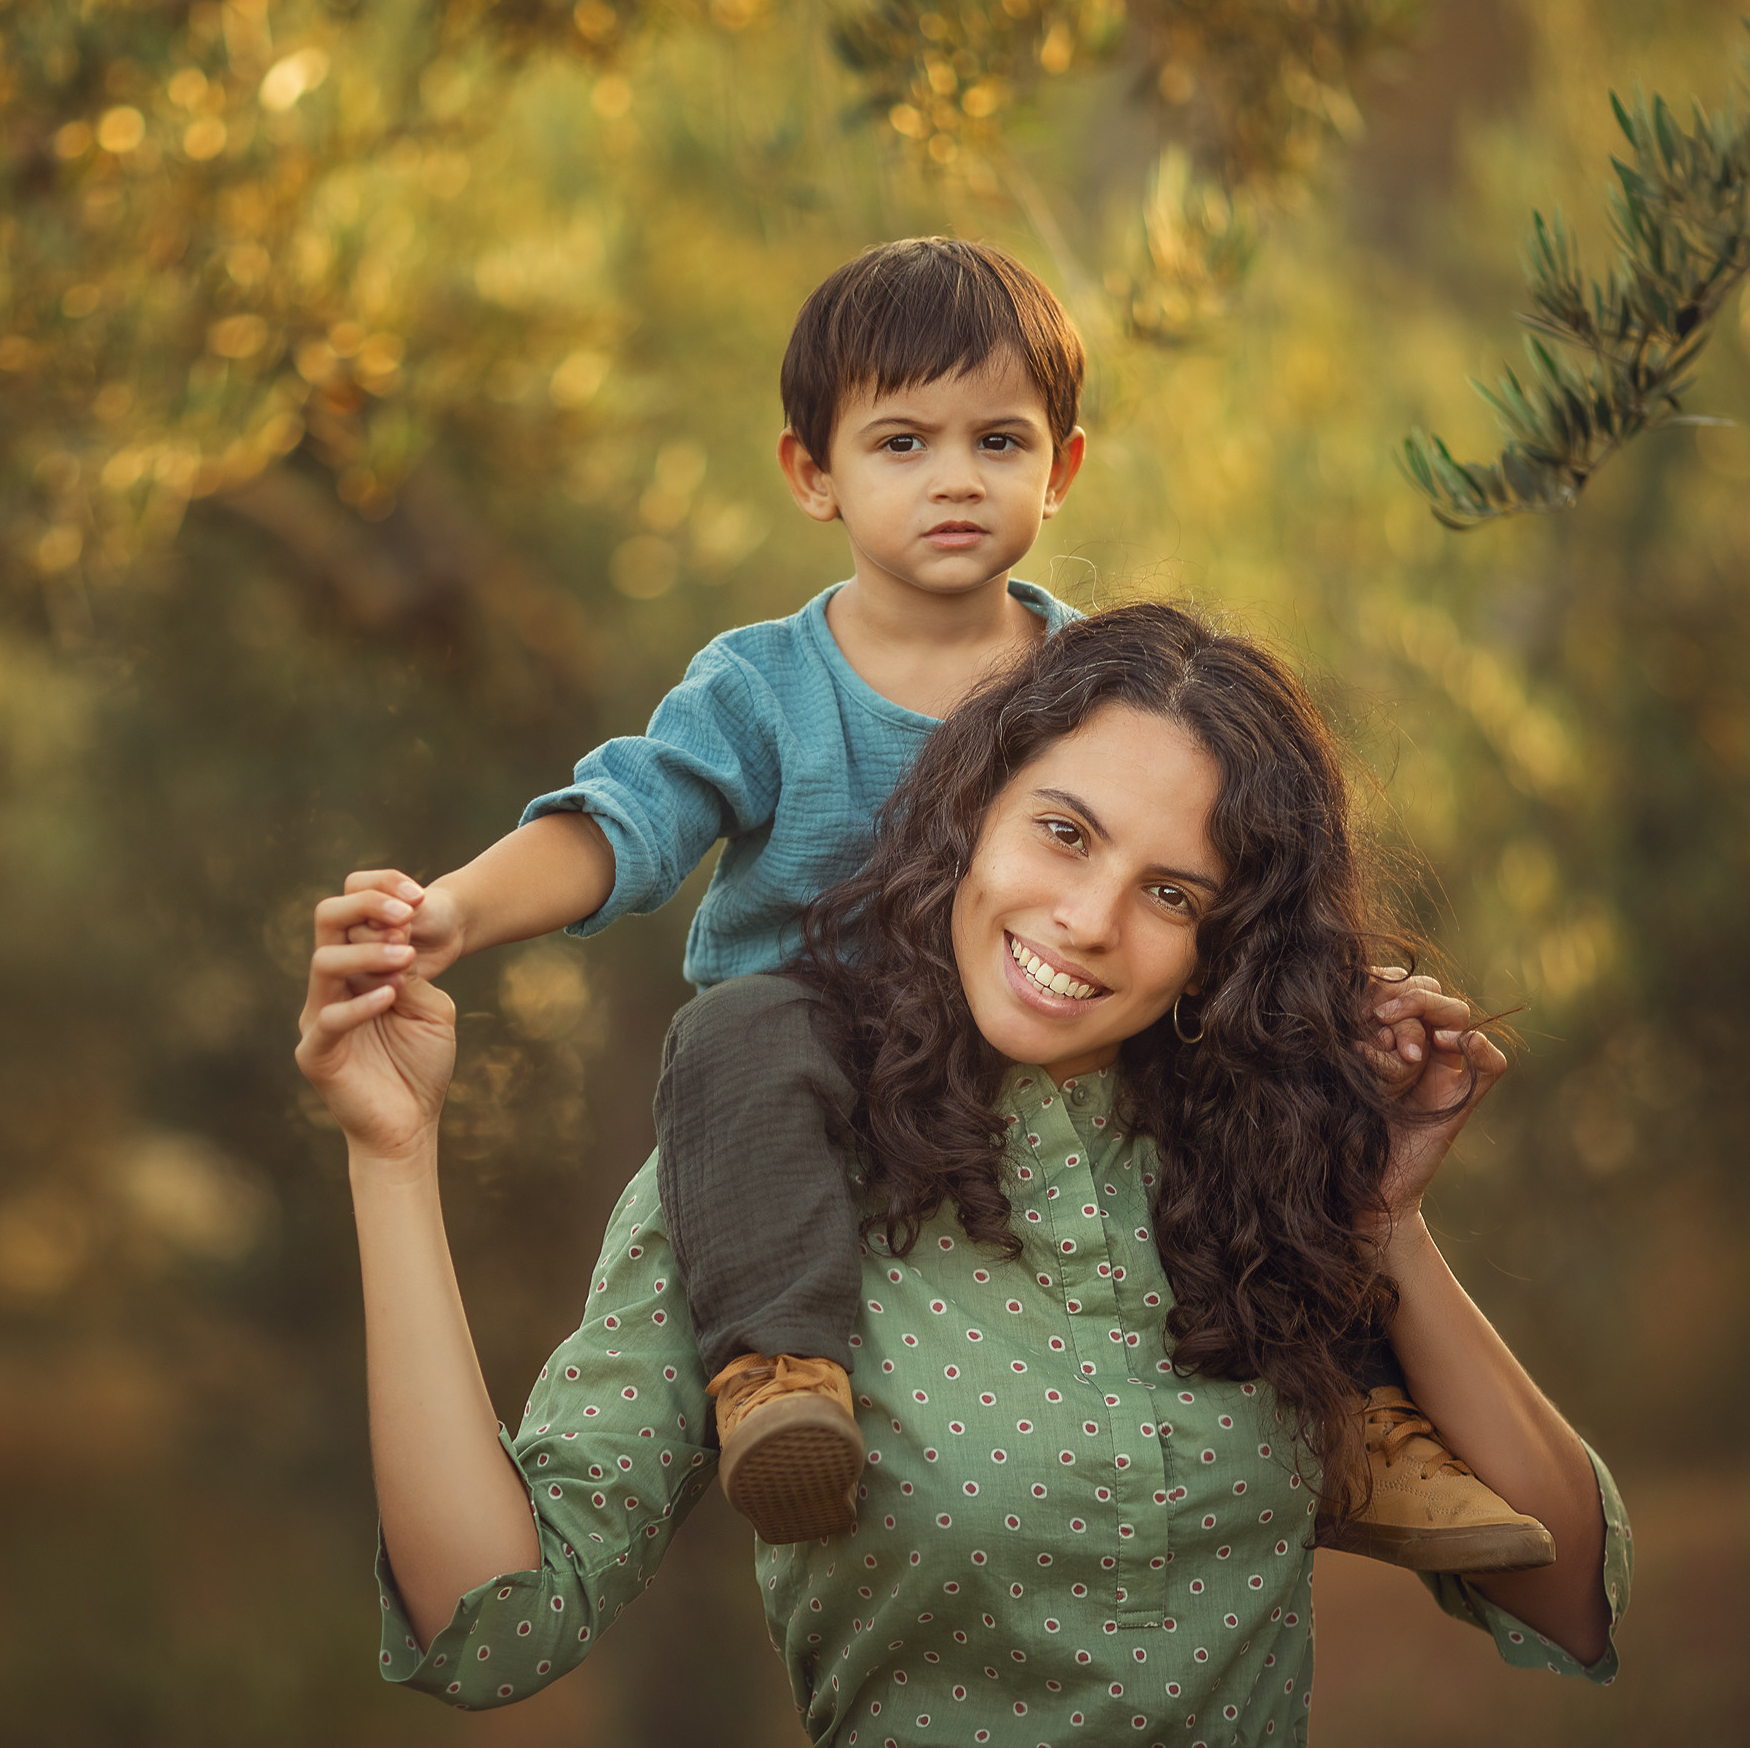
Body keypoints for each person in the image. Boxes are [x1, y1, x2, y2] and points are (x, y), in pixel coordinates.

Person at [345, 238, 1535, 1567]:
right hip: (821, 1044)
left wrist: (1334, 1005)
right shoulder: (763, 686)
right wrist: (452, 913)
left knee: (1259, 1081)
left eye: (998, 440)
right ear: (814, 473)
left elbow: (1209, 870)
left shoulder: (1096, 683)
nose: (954, 478)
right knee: (732, 1034)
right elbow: (629, 818)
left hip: (1043, 1042)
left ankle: (1354, 1422)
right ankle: (781, 1379)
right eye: (901, 442)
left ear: (1061, 467)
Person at [298, 605, 1629, 1746]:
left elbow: (1568, 1593)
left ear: (1223, 944)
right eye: (1062, 832)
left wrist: (1385, 1221)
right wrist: (391, 1154)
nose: (1087, 919)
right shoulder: (772, 1167)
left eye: (1172, 895)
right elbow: (493, 1625)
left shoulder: (1243, 1168)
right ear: (971, 811)